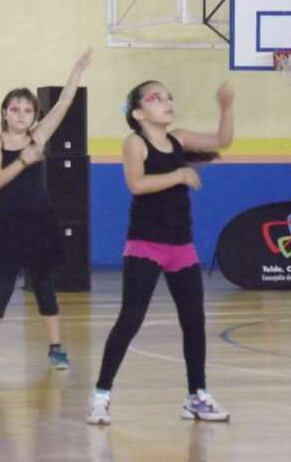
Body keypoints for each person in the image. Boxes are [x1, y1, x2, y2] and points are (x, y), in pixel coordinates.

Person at [87, 80, 234, 425]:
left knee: (194, 320)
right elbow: (137, 184)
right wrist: (179, 174)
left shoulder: (178, 139)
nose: (167, 102)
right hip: (146, 245)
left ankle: (196, 396)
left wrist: (226, 107)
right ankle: (101, 395)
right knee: (131, 318)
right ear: (139, 113)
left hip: (181, 246)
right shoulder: (135, 142)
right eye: (157, 98)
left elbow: (222, 140)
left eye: (169, 96)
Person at [0, 48, 92, 373]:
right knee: (2, 287)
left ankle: (56, 348)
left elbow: (64, 105)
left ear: (35, 115)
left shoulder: (38, 137)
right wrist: (24, 161)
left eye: (27, 110)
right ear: (4, 112)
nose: (21, 115)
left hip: (40, 224)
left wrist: (76, 73)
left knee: (45, 288)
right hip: (8, 225)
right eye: (15, 109)